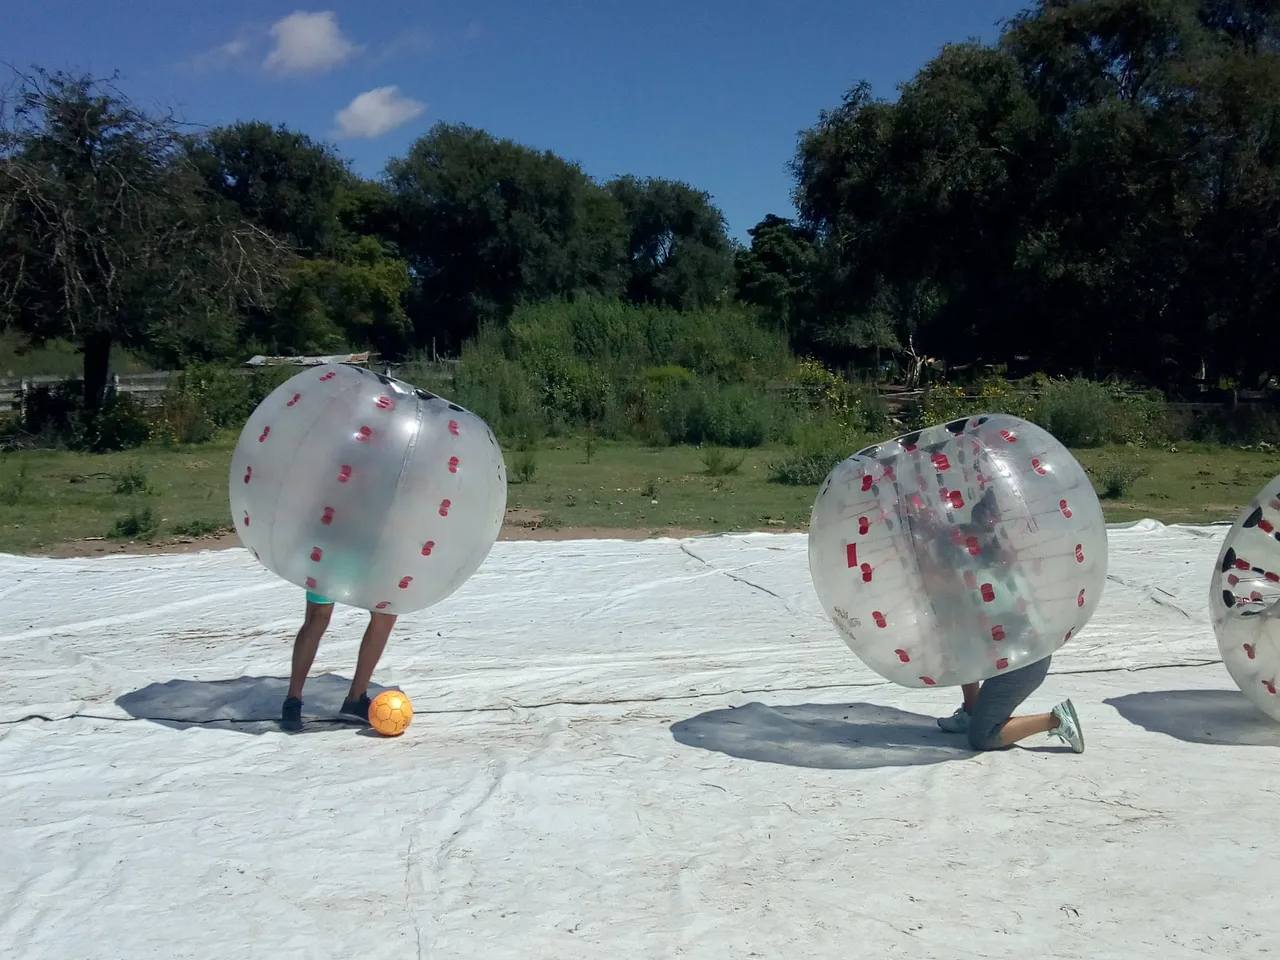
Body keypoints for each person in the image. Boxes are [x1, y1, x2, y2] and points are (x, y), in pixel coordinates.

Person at [279, 588, 397, 732]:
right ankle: (293, 699)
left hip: (374, 565)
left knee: (385, 613)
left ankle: (356, 698)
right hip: (330, 565)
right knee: (319, 613)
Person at [937, 663, 1084, 753]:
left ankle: (1056, 720)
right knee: (963, 646)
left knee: (981, 738)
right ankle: (971, 713)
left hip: (1023, 664)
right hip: (1016, 659)